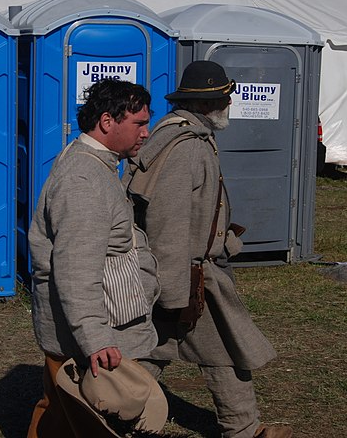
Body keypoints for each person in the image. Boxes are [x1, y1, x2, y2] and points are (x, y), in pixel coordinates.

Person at [124, 61, 292, 438]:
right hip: (185, 275)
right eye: (223, 99)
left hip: (187, 271)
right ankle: (242, 429)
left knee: (157, 350)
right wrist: (172, 289)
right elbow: (168, 221)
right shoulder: (187, 147)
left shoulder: (188, 136)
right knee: (219, 351)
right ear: (206, 105)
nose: (228, 105)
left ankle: (112, 417)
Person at [27, 79, 161, 437]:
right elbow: (75, 270)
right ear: (107, 122)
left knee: (59, 416)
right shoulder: (84, 180)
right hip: (89, 339)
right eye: (139, 123)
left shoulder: (93, 163)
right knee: (83, 421)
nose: (146, 133)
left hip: (86, 335)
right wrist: (96, 338)